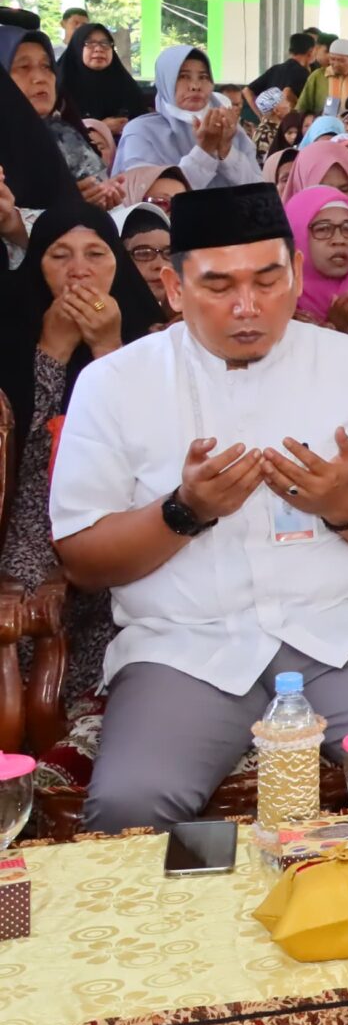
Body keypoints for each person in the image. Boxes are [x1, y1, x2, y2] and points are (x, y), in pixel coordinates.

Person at [50, 182, 348, 832]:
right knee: (129, 807)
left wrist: (344, 505)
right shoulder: (113, 384)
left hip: (340, 637)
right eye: (219, 286)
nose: (248, 306)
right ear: (172, 285)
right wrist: (183, 512)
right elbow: (82, 560)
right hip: (184, 647)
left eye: (268, 280)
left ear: (296, 271)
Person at [0, 205, 163, 702]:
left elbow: (154, 453)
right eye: (59, 255)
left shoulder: (154, 340)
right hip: (29, 522)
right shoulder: (9, 333)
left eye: (96, 254)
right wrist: (51, 351)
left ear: (117, 263)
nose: (79, 271)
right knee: (31, 587)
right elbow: (21, 474)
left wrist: (107, 350)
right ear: (36, 265)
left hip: (134, 513)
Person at [113, 46, 261, 186]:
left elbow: (258, 189)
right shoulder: (142, 131)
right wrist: (205, 151)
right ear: (166, 82)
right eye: (183, 77)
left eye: (203, 77)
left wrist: (226, 151)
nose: (195, 86)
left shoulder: (228, 127)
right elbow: (151, 194)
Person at [5, 23, 115, 201]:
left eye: (47, 66)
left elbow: (99, 187)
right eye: (24, 67)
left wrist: (101, 201)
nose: (41, 78)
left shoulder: (64, 136)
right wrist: (64, 206)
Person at [287, 186, 348, 329]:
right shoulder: (282, 304)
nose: (339, 240)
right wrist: (336, 327)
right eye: (323, 229)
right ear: (297, 237)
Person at [58, 22, 149, 132]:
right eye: (90, 43)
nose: (99, 49)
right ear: (77, 48)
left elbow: (144, 124)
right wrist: (99, 127)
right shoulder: (61, 87)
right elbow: (54, 131)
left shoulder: (125, 85)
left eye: (105, 43)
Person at [249, 31, 319, 103]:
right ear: (310, 52)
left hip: (269, 114)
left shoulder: (275, 69)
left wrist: (259, 113)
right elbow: (290, 95)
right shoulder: (303, 73)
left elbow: (247, 91)